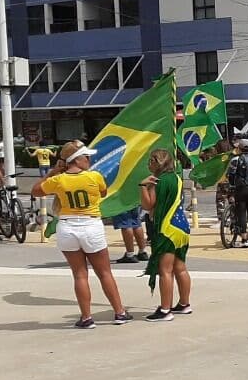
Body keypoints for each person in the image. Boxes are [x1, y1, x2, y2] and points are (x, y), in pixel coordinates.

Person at [32, 141, 131, 329]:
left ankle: (86, 317)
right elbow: (102, 192)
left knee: (79, 275)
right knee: (104, 272)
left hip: (67, 226)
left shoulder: (58, 180)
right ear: (76, 159)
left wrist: (54, 172)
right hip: (90, 224)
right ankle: (119, 312)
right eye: (86, 157)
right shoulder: (95, 176)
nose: (89, 159)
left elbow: (36, 190)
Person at [139, 149, 192, 322]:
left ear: (156, 162)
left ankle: (165, 309)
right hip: (181, 227)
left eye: (150, 161)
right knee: (180, 268)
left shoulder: (156, 181)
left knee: (165, 271)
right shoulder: (176, 178)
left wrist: (143, 186)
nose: (148, 164)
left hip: (166, 228)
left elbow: (148, 205)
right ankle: (184, 304)